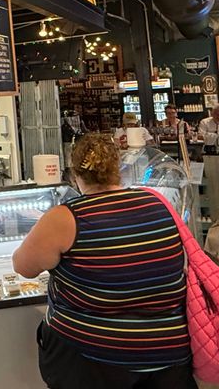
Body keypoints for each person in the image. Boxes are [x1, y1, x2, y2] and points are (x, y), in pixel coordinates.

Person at [13, 133, 195, 388]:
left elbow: (23, 266)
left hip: (94, 360)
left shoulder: (66, 217)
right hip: (169, 357)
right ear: (118, 170)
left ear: (75, 175)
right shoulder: (159, 203)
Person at [198, 105, 219, 223]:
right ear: (212, 113)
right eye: (216, 114)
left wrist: (210, 135)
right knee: (212, 185)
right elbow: (201, 137)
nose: (218, 117)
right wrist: (214, 135)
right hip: (210, 156)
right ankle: (212, 214)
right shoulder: (205, 122)